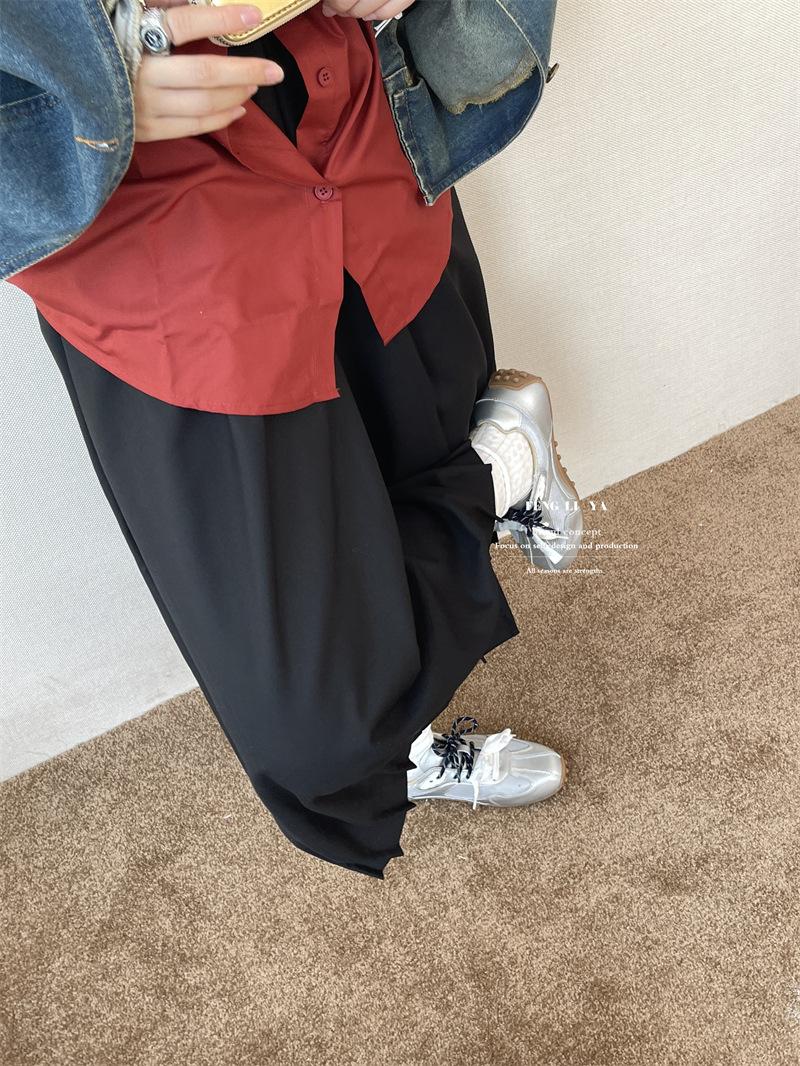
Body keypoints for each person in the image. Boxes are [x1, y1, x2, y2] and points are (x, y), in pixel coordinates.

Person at [6, 0, 580, 879]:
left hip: (348, 111)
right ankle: (503, 467)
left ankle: (411, 737)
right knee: (316, 733)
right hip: (146, 222)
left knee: (413, 459)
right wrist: (77, 94)